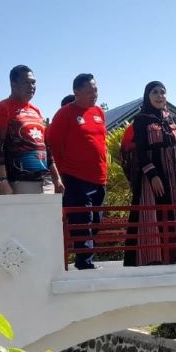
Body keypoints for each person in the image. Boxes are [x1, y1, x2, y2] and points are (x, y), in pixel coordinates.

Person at [124, 81, 176, 266]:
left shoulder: (170, 119)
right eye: (155, 92)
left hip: (175, 178)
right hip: (153, 179)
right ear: (147, 95)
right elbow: (141, 149)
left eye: (162, 92)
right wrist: (153, 175)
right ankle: (154, 260)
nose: (159, 95)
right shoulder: (141, 120)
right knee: (154, 216)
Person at [46, 75, 108, 269]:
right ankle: (84, 263)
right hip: (76, 178)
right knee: (83, 221)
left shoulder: (98, 112)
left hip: (99, 178)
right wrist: (62, 173)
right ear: (77, 92)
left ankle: (87, 259)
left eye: (96, 90)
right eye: (89, 91)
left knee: (96, 220)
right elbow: (52, 144)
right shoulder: (65, 113)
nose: (94, 95)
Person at [0, 65, 64, 195]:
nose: (31, 86)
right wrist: (3, 181)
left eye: (33, 82)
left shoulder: (36, 111)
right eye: (26, 82)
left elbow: (46, 147)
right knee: (21, 215)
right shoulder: (2, 108)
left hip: (45, 181)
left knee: (48, 216)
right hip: (18, 182)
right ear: (13, 84)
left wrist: (56, 178)